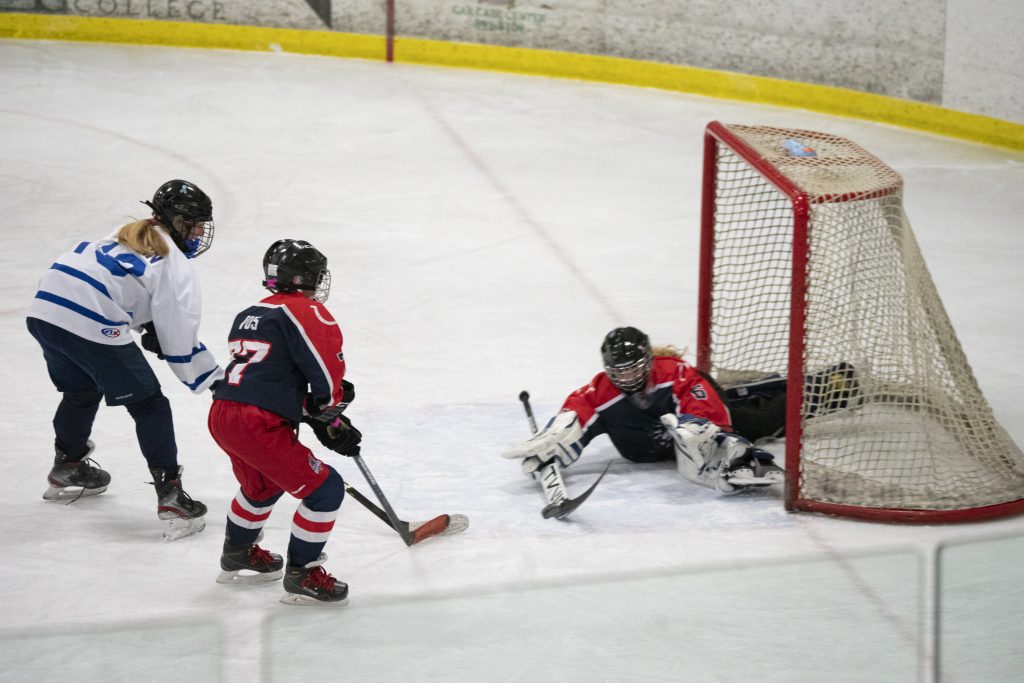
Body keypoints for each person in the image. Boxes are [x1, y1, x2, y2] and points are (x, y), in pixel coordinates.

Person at [27, 179, 223, 540]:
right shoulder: (173, 262)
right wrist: (214, 380)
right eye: (194, 224)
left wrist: (148, 324)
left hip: (44, 311)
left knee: (82, 390)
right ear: (177, 222)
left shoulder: (126, 232)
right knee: (150, 405)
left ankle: (68, 464)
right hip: (88, 320)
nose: (198, 233)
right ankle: (172, 496)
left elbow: (113, 283)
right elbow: (180, 342)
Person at [208, 239, 361, 606]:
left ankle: (237, 553)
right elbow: (324, 367)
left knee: (262, 486)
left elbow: (270, 372)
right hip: (256, 420)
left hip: (224, 412)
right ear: (302, 278)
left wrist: (310, 409)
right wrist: (329, 407)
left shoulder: (250, 313)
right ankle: (302, 574)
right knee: (325, 490)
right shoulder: (306, 310)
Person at [502, 326, 793, 494]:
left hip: (702, 398)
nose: (628, 378)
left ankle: (803, 392)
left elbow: (698, 398)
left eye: (634, 369)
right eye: (620, 372)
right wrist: (555, 441)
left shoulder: (674, 374)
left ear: (649, 362)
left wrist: (706, 432)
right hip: (668, 436)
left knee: (761, 420)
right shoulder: (602, 393)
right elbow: (580, 407)